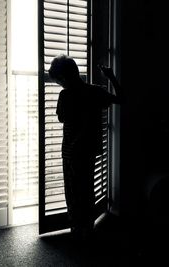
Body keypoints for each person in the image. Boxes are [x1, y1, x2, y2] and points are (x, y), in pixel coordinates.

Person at [48, 54, 122, 241]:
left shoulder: (65, 95)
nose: (59, 84)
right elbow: (122, 99)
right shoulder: (95, 91)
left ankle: (77, 228)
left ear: (64, 78)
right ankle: (87, 228)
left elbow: (61, 117)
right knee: (87, 188)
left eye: (58, 81)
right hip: (89, 148)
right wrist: (111, 77)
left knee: (72, 192)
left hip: (71, 150)